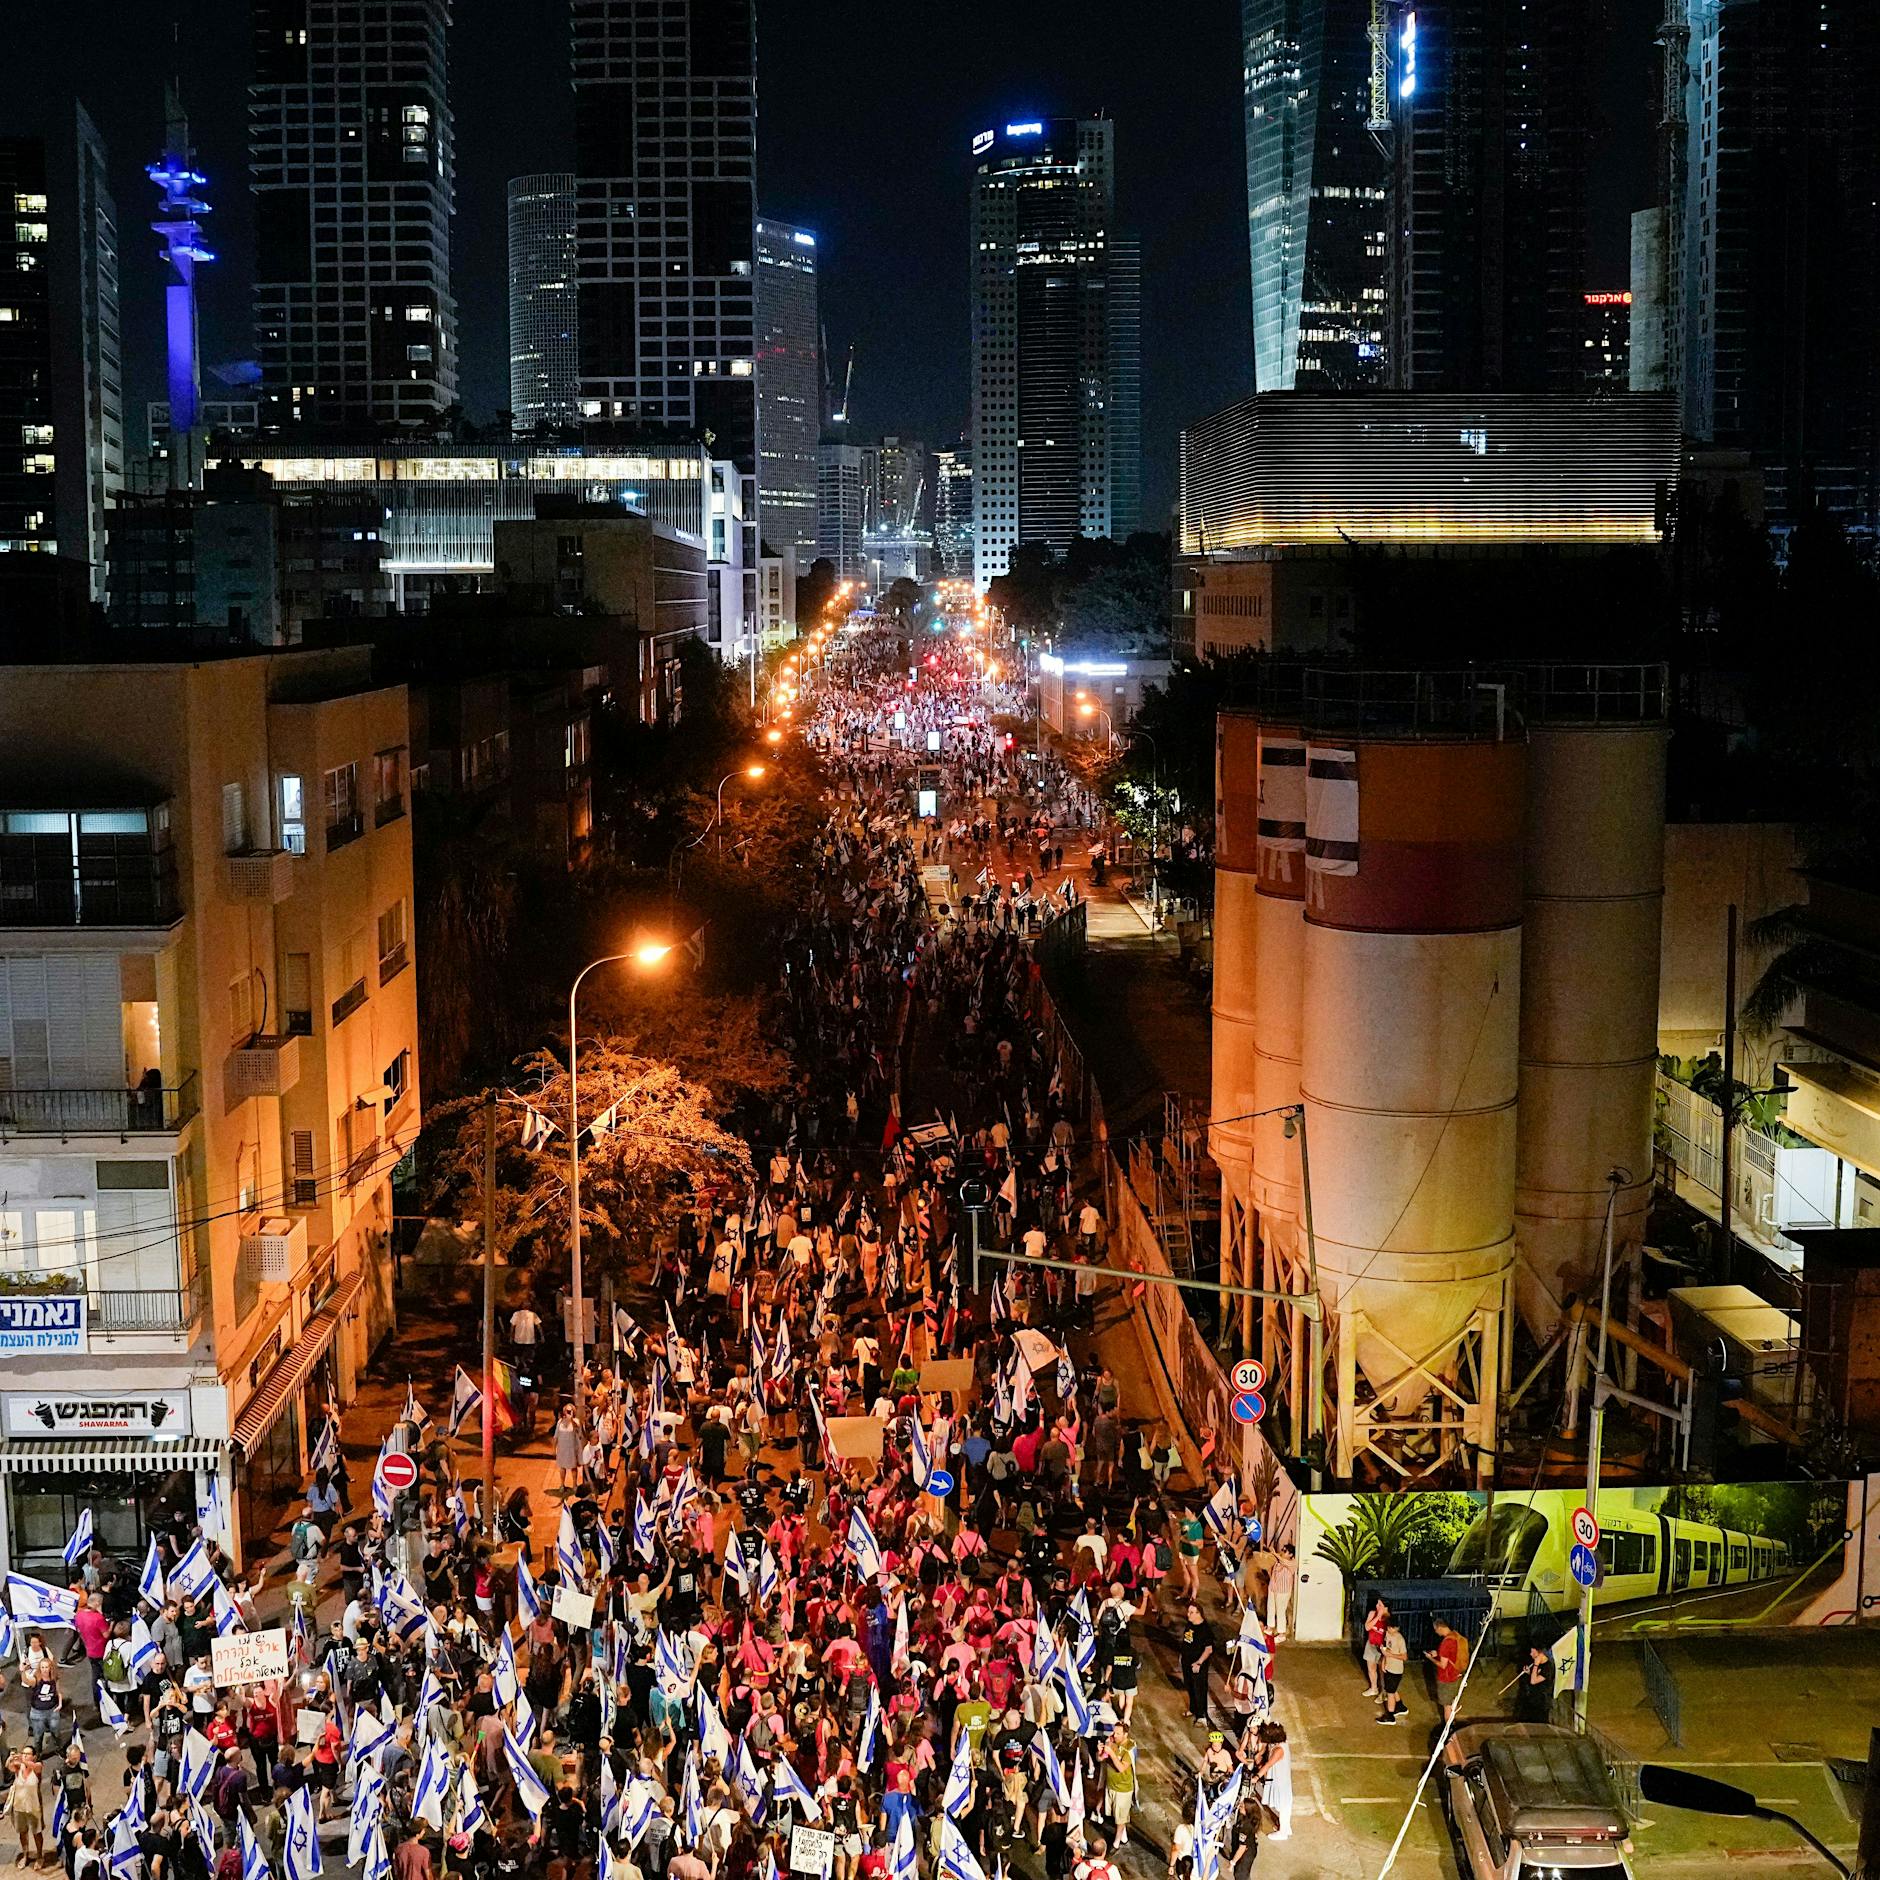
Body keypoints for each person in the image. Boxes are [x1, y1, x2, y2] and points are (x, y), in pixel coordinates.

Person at [1254, 1721, 1293, 1841]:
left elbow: (1268, 1764)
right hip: (1280, 1780)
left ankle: (1283, 1832)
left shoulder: (1279, 1750)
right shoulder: (1280, 1744)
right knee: (1283, 1807)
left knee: (1284, 1807)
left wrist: (1257, 1776)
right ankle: (1285, 1827)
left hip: (1281, 1782)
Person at [1427, 1616, 1470, 1724]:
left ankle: (1448, 1727)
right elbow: (1451, 1655)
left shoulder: (1446, 1643)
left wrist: (1431, 1658)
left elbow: (1442, 1665)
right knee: (1452, 1702)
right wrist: (1437, 1654)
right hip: (1456, 1674)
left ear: (1439, 1628)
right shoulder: (1455, 1636)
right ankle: (1451, 1723)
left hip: (1447, 1677)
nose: (1436, 1632)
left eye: (1436, 1630)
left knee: (1447, 1705)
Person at [1179, 1601, 1214, 1725]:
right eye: (1188, 1612)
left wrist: (1199, 1663)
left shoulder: (1205, 1630)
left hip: (1197, 1664)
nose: (1188, 1615)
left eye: (1192, 1612)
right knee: (1189, 1686)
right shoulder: (1190, 1624)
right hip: (1186, 1661)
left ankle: (1202, 1715)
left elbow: (1208, 1649)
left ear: (1199, 1613)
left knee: (1199, 1689)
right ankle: (1193, 1709)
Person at [1377, 1619, 1409, 1725]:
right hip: (1389, 1666)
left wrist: (1390, 1656)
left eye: (1393, 1628)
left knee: (1390, 1692)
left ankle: (1390, 1715)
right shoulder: (1388, 1635)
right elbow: (1387, 1648)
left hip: (1396, 1669)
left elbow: (1404, 1656)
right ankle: (1400, 1706)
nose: (1390, 1630)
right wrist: (1384, 1661)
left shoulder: (1400, 1639)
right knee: (1392, 1688)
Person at [1362, 1593, 1390, 1700]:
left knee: (1382, 1670)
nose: (1377, 1606)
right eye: (1377, 1604)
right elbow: (1368, 1627)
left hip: (1381, 1647)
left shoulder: (1388, 1618)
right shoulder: (1372, 1613)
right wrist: (1377, 1617)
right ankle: (1374, 1688)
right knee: (1371, 1667)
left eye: (1380, 1605)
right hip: (1371, 1643)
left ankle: (1383, 1692)